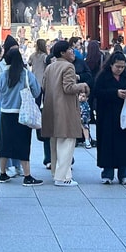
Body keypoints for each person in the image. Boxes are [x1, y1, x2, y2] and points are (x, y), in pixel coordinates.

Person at [41, 40, 90, 186]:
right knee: (67, 142)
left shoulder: (50, 67)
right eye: (69, 49)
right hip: (65, 109)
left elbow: (44, 86)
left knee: (55, 142)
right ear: (62, 52)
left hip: (51, 108)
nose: (73, 51)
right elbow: (68, 88)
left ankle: (56, 173)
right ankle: (63, 177)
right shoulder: (68, 66)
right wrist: (82, 86)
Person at [0, 47, 43, 186]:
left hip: (6, 112)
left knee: (4, 144)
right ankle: (27, 176)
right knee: (23, 143)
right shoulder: (26, 74)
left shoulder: (3, 75)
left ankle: (3, 173)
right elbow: (36, 91)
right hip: (23, 113)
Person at [93, 52, 126, 184]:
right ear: (111, 65)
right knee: (108, 145)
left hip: (124, 117)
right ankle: (107, 174)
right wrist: (115, 93)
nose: (120, 69)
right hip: (107, 116)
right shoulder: (103, 77)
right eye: (117, 66)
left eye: (122, 67)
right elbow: (97, 93)